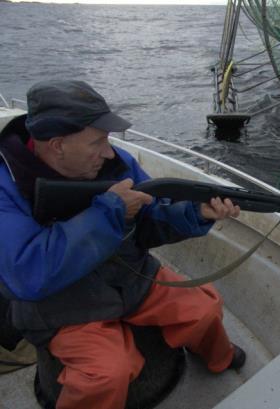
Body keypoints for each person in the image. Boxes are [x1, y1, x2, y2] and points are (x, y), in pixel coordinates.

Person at [0, 80, 245, 409]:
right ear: (58, 145)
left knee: (203, 309)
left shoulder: (116, 163)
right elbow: (27, 274)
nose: (109, 152)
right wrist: (109, 213)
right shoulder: (6, 188)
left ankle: (220, 359)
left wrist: (196, 212)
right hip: (60, 306)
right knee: (104, 374)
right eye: (98, 141)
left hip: (130, 278)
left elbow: (151, 218)